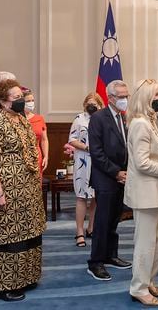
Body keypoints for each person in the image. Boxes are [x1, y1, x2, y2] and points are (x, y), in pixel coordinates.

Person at [0, 79, 46, 301]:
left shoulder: (20, 119)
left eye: (21, 96)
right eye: (16, 98)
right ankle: (4, 286)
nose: (21, 101)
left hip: (28, 191)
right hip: (8, 191)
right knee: (9, 237)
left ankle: (26, 277)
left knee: (29, 233)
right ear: (3, 102)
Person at [124, 79, 158, 306]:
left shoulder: (150, 121)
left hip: (157, 192)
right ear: (147, 97)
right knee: (146, 242)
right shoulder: (140, 124)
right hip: (146, 194)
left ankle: (148, 281)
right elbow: (142, 163)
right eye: (157, 94)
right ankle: (138, 287)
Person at [87, 80, 132, 281]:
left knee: (114, 219)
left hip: (122, 178)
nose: (125, 100)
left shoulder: (124, 117)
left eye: (126, 96)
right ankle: (95, 262)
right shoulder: (98, 118)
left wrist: (126, 172)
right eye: (122, 96)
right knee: (102, 222)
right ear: (111, 98)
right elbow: (96, 153)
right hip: (106, 178)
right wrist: (116, 172)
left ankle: (111, 255)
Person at [68, 92, 104, 247]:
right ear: (84, 104)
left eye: (94, 103)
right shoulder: (79, 119)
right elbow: (72, 140)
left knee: (96, 197)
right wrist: (87, 147)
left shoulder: (103, 118)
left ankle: (91, 228)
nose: (91, 105)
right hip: (83, 161)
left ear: (100, 105)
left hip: (99, 162)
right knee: (82, 197)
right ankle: (80, 232)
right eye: (89, 102)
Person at [23, 89, 49, 176]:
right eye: (28, 101)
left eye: (32, 100)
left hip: (37, 156)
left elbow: (44, 140)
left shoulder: (39, 118)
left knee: (37, 184)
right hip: (21, 156)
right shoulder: (16, 118)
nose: (31, 103)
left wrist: (46, 156)